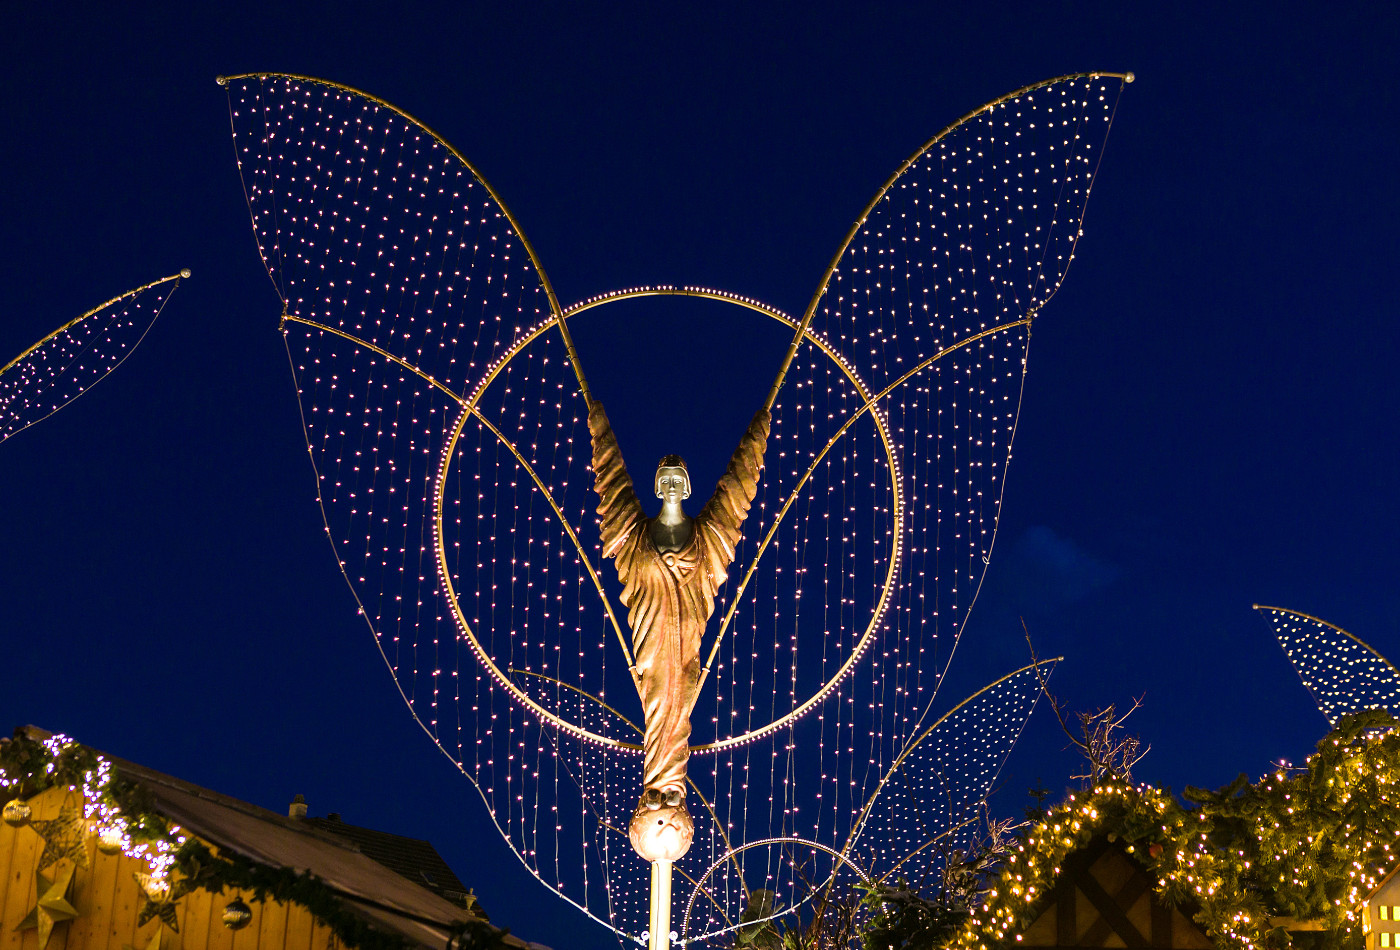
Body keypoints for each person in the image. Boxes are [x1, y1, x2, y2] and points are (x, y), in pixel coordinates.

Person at [588, 402, 769, 862]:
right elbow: (611, 481)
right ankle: (661, 790)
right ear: (656, 486)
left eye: (677, 478)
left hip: (688, 639)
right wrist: (596, 415)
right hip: (649, 642)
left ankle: (666, 790)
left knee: (679, 701)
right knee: (658, 701)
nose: (670, 484)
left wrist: (760, 425)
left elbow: (735, 492)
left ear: (686, 486)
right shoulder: (635, 536)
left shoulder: (706, 541)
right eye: (663, 478)